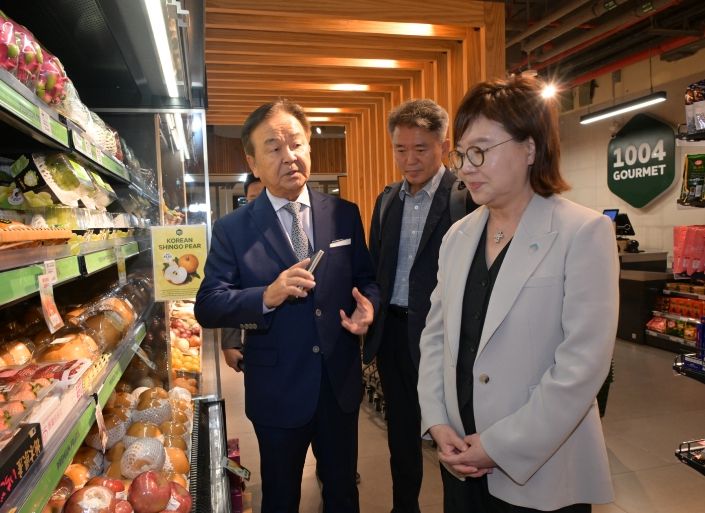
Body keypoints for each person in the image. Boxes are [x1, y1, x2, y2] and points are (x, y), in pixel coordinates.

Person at [417, 76, 619, 513]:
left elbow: (583, 364)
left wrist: (499, 446)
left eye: (481, 151)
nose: (466, 168)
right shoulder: (457, 237)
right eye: (461, 154)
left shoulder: (582, 232)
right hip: (460, 456)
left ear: (530, 148)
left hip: (542, 469)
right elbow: (436, 339)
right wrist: (436, 421)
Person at [195, 100, 380, 513]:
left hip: (338, 385)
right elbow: (208, 305)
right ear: (253, 162)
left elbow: (366, 279)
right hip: (277, 389)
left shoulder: (344, 214)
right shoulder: (232, 229)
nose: (289, 156)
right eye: (274, 148)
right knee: (280, 498)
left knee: (343, 493)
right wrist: (265, 296)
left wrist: (368, 307)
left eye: (296, 144)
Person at [364, 98, 475, 513]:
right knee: (401, 434)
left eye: (421, 149)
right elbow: (377, 268)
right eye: (400, 149)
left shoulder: (464, 198)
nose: (409, 160)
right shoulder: (387, 201)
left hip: (444, 338)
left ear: (444, 146)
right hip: (393, 334)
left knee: (451, 432)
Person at [221, 174, 265, 373]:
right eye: (253, 199)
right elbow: (230, 288)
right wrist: (230, 342)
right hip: (258, 337)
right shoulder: (237, 234)